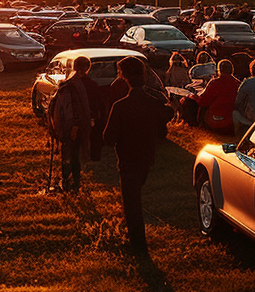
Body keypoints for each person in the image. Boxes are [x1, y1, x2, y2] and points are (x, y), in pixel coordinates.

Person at [102, 56, 170, 252]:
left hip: (128, 160)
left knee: (132, 204)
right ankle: (135, 238)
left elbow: (108, 139)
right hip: (147, 157)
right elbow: (167, 114)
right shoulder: (151, 102)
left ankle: (138, 245)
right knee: (134, 198)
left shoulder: (121, 106)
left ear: (123, 76)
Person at [48, 59, 93, 192]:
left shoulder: (66, 85)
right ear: (87, 68)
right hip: (74, 126)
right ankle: (73, 182)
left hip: (64, 126)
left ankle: (67, 181)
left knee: (67, 155)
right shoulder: (84, 85)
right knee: (74, 155)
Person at [192, 59, 241, 132]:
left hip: (215, 122)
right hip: (232, 122)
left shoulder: (215, 83)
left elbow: (203, 102)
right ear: (232, 70)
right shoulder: (238, 84)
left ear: (219, 70)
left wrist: (194, 97)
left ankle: (196, 126)